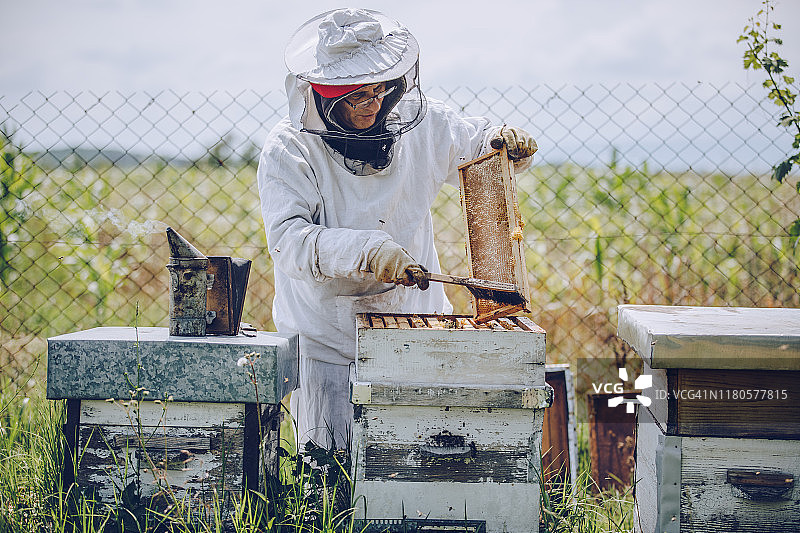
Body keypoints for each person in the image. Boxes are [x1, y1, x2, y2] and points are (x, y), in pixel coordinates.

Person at [257, 8, 537, 449]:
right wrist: (366, 252)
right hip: (327, 340)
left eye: (380, 91)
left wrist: (504, 144)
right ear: (324, 98)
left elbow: (479, 145)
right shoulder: (289, 149)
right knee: (328, 475)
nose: (372, 104)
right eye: (356, 97)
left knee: (418, 466)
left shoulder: (425, 123)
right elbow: (289, 243)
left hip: (418, 324)